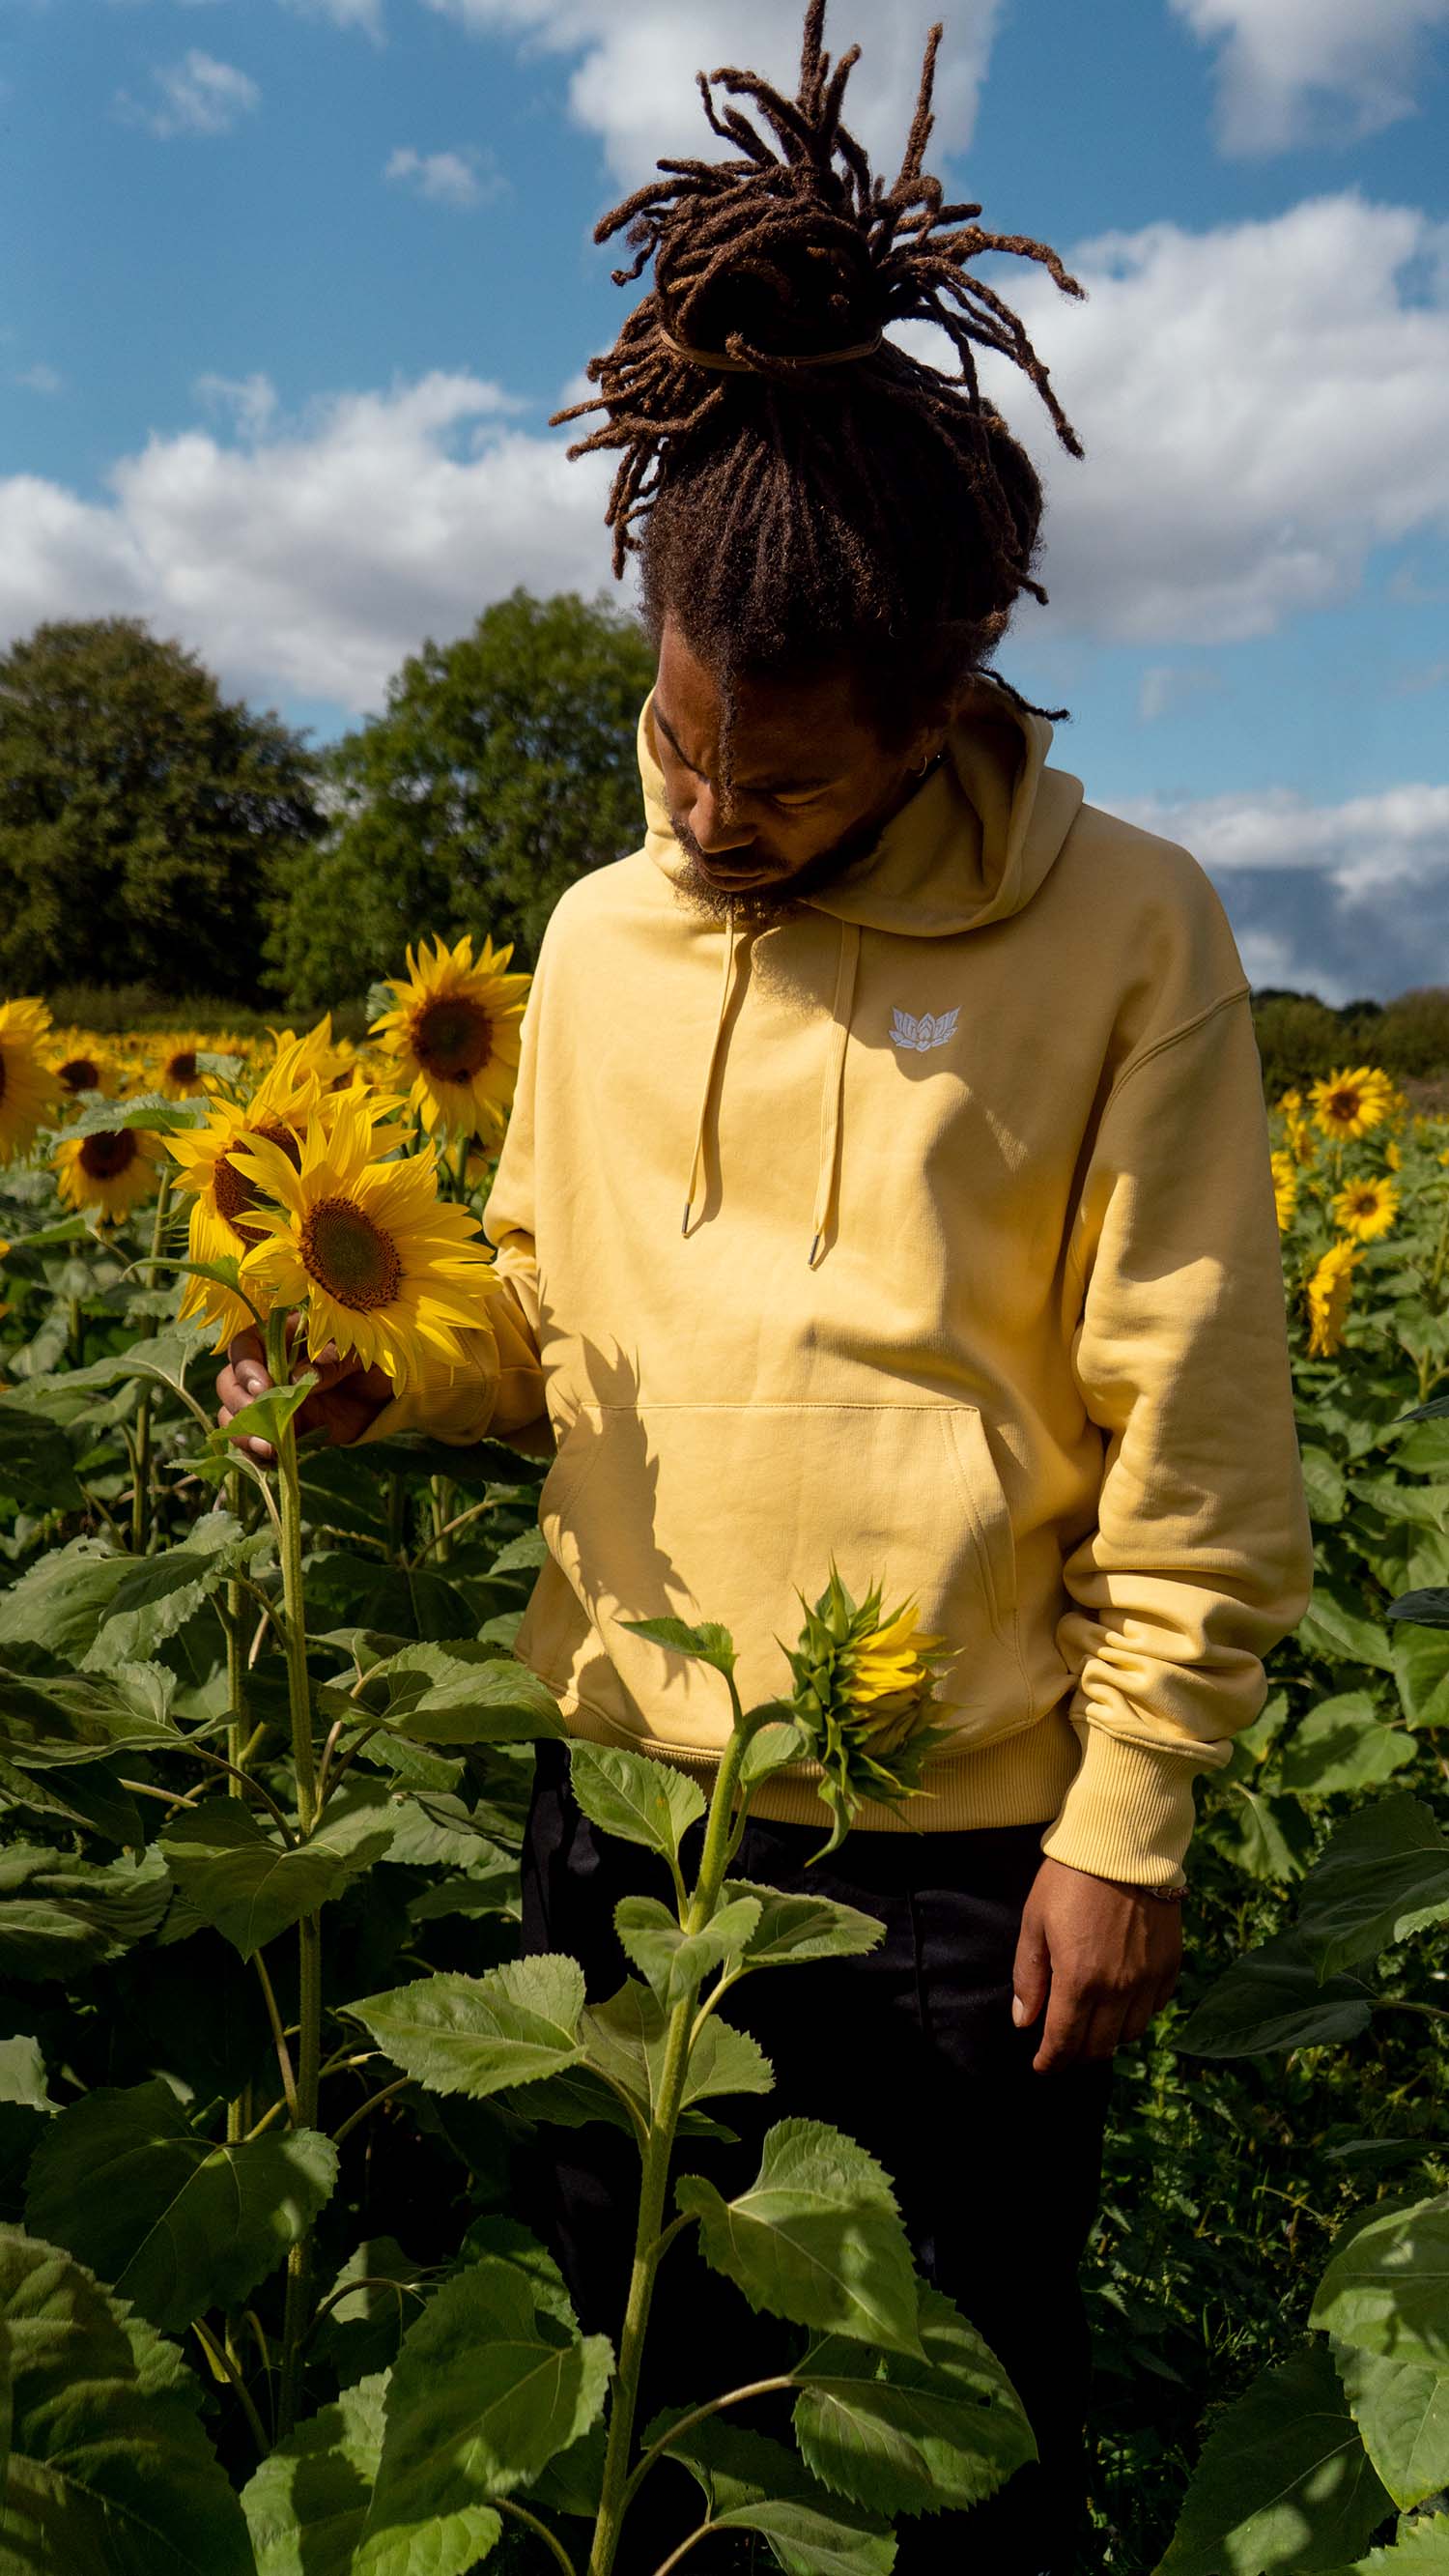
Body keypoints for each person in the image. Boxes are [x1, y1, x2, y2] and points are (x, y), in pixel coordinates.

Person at [219, 7, 1315, 2566]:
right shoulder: (600, 937)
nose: (716, 817)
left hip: (953, 1862)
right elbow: (542, 1313)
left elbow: (1201, 1404)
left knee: (933, 2461)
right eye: (685, 750)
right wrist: (380, 1375)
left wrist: (1127, 1815)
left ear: (943, 698)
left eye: (787, 778)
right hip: (615, 1822)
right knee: (633, 2403)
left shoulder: (1125, 930)